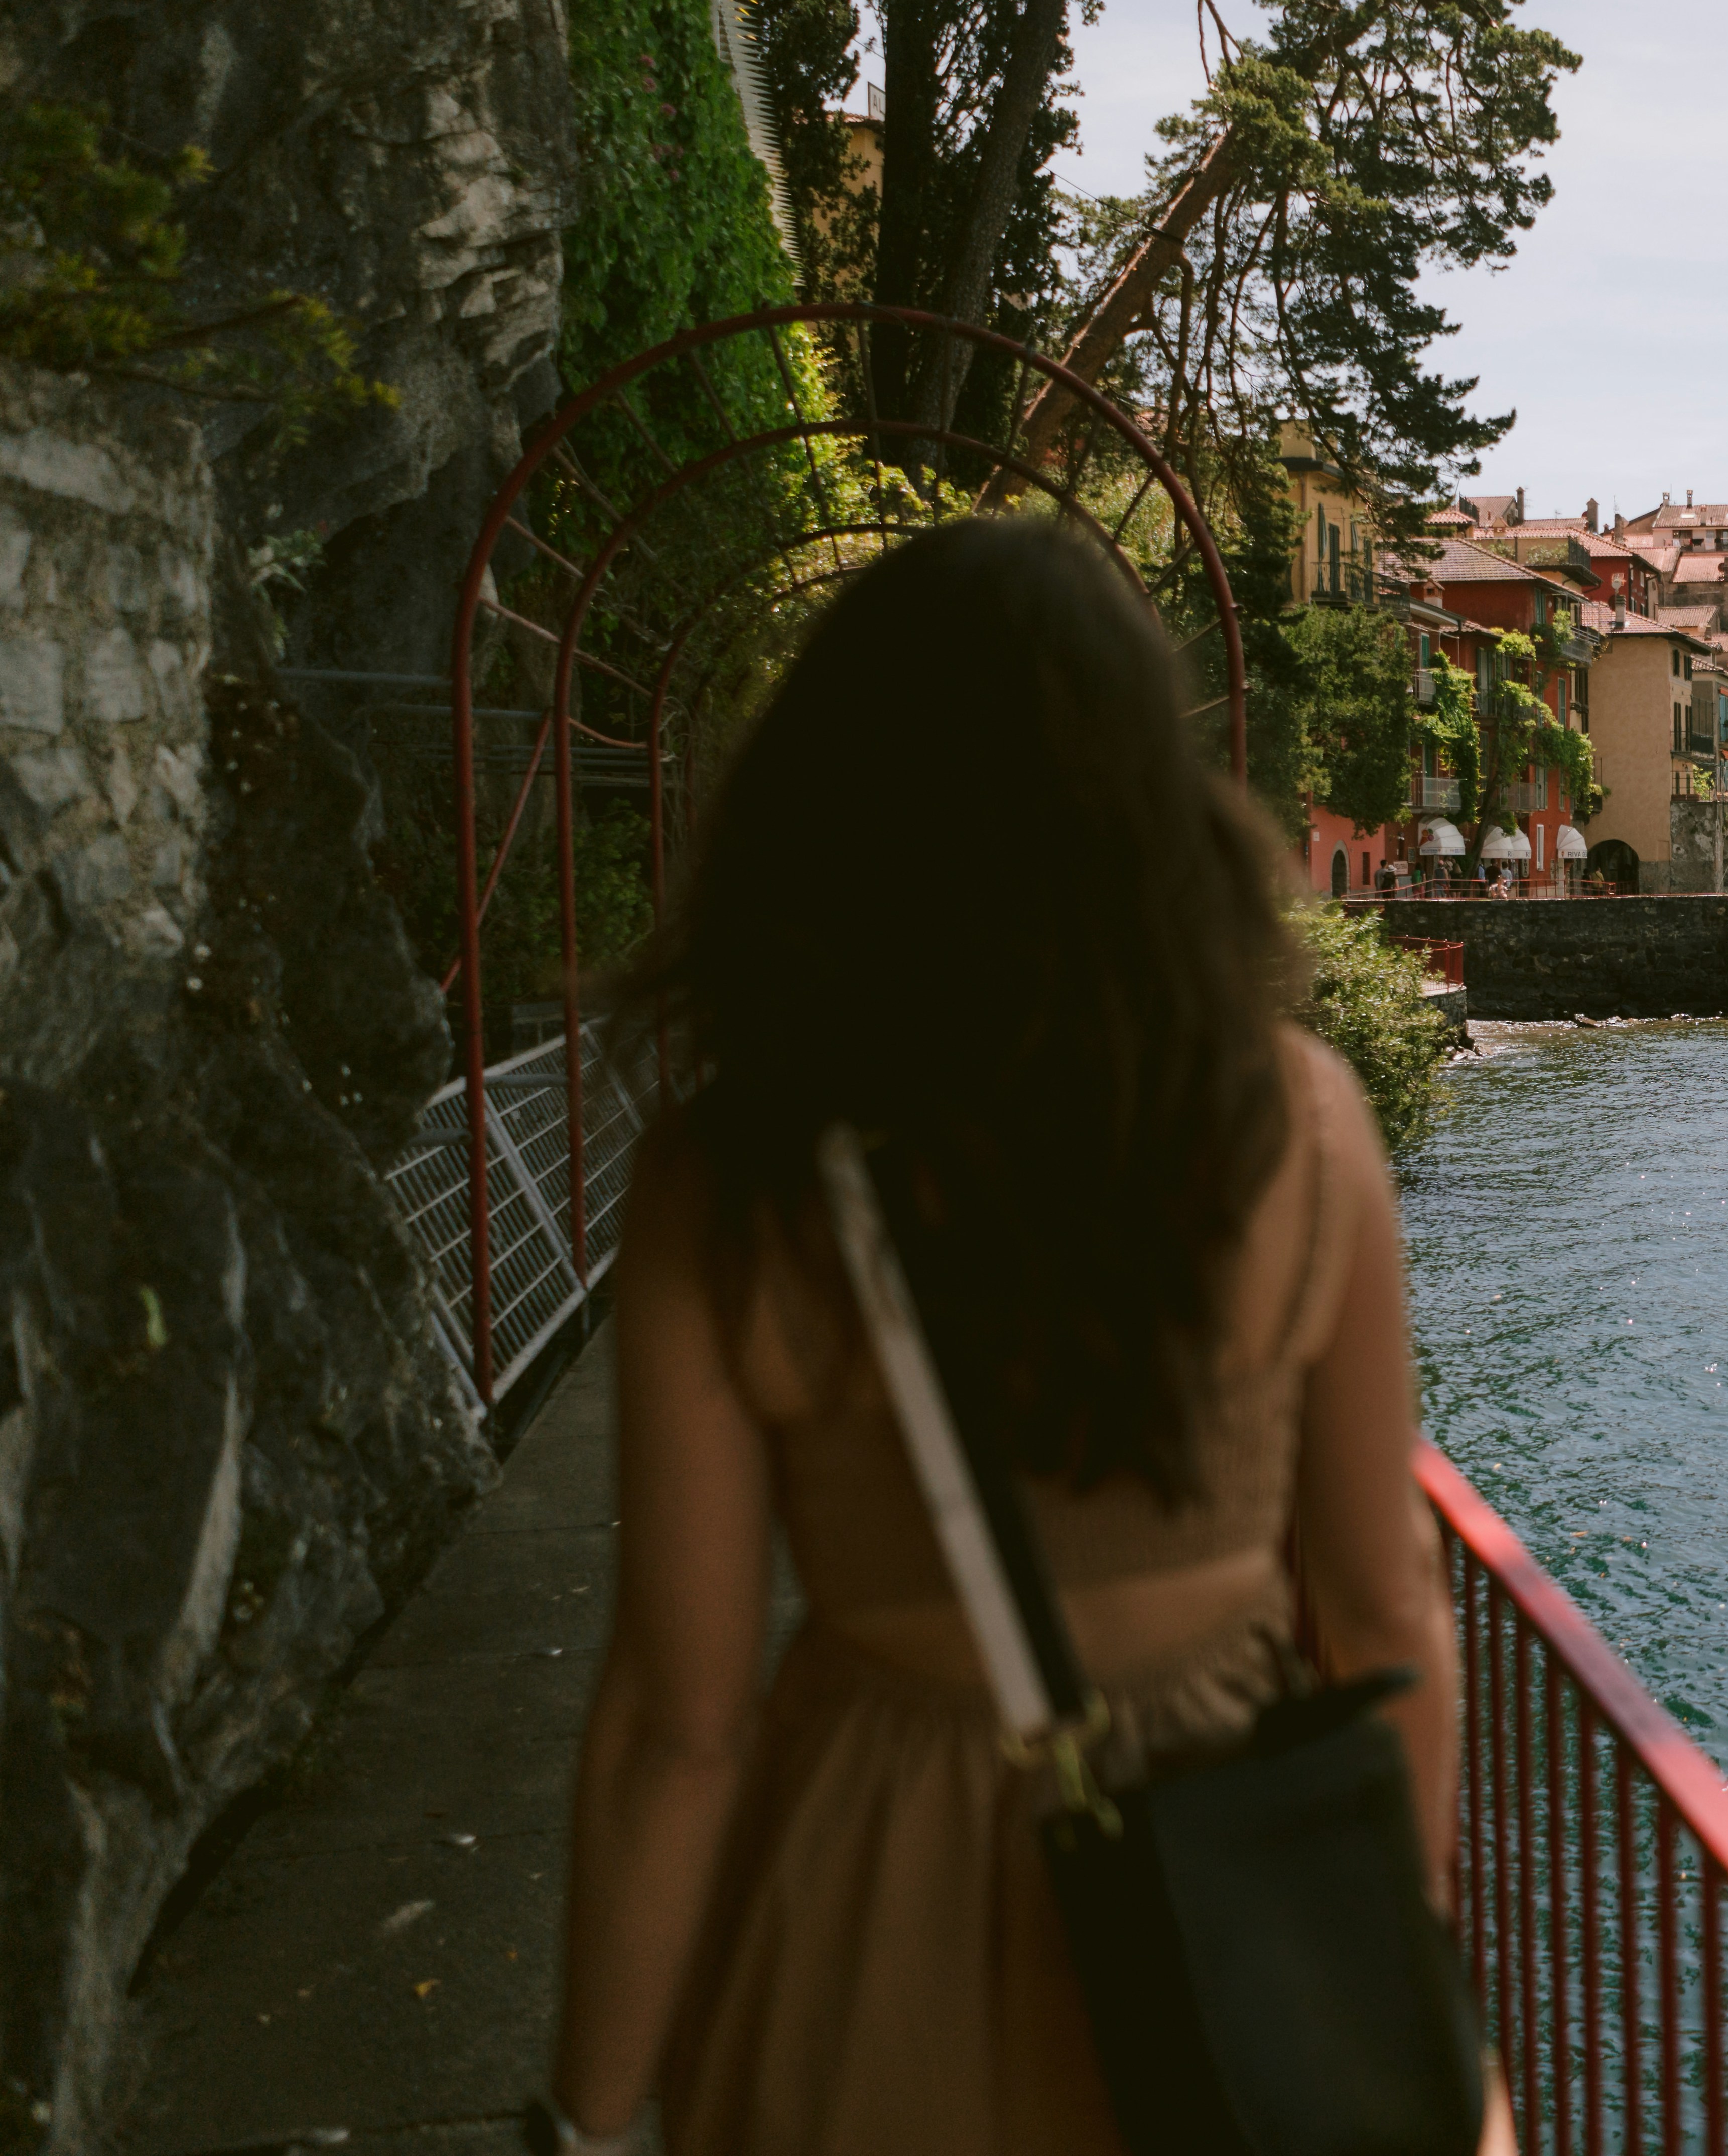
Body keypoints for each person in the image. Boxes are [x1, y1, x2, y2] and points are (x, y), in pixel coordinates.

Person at [543, 521, 1454, 2155]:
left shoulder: (735, 1176)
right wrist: (1392, 1976)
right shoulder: (1299, 1125)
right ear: (1142, 794)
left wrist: (585, 2114)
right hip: (1230, 1908)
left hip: (863, 1897)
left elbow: (678, 1722)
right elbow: (1388, 1610)